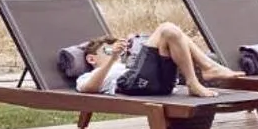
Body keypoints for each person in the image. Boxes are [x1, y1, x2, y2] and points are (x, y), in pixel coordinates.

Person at [75, 22, 239, 99]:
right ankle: (203, 73)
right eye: (107, 49)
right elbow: (89, 89)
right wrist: (112, 59)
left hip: (160, 83)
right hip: (131, 84)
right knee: (167, 28)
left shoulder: (124, 64)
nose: (113, 51)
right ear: (91, 58)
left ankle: (206, 69)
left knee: (173, 34)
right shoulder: (88, 76)